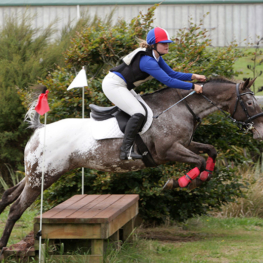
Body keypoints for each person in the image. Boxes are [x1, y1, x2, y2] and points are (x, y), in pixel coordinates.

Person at [102, 27, 206, 160]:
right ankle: (125, 151)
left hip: (122, 85)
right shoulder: (148, 61)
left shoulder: (155, 56)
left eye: (167, 43)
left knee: (145, 110)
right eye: (163, 43)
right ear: (153, 45)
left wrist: (193, 76)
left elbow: (172, 74)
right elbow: (169, 81)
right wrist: (192, 86)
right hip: (113, 85)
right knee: (139, 112)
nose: (167, 46)